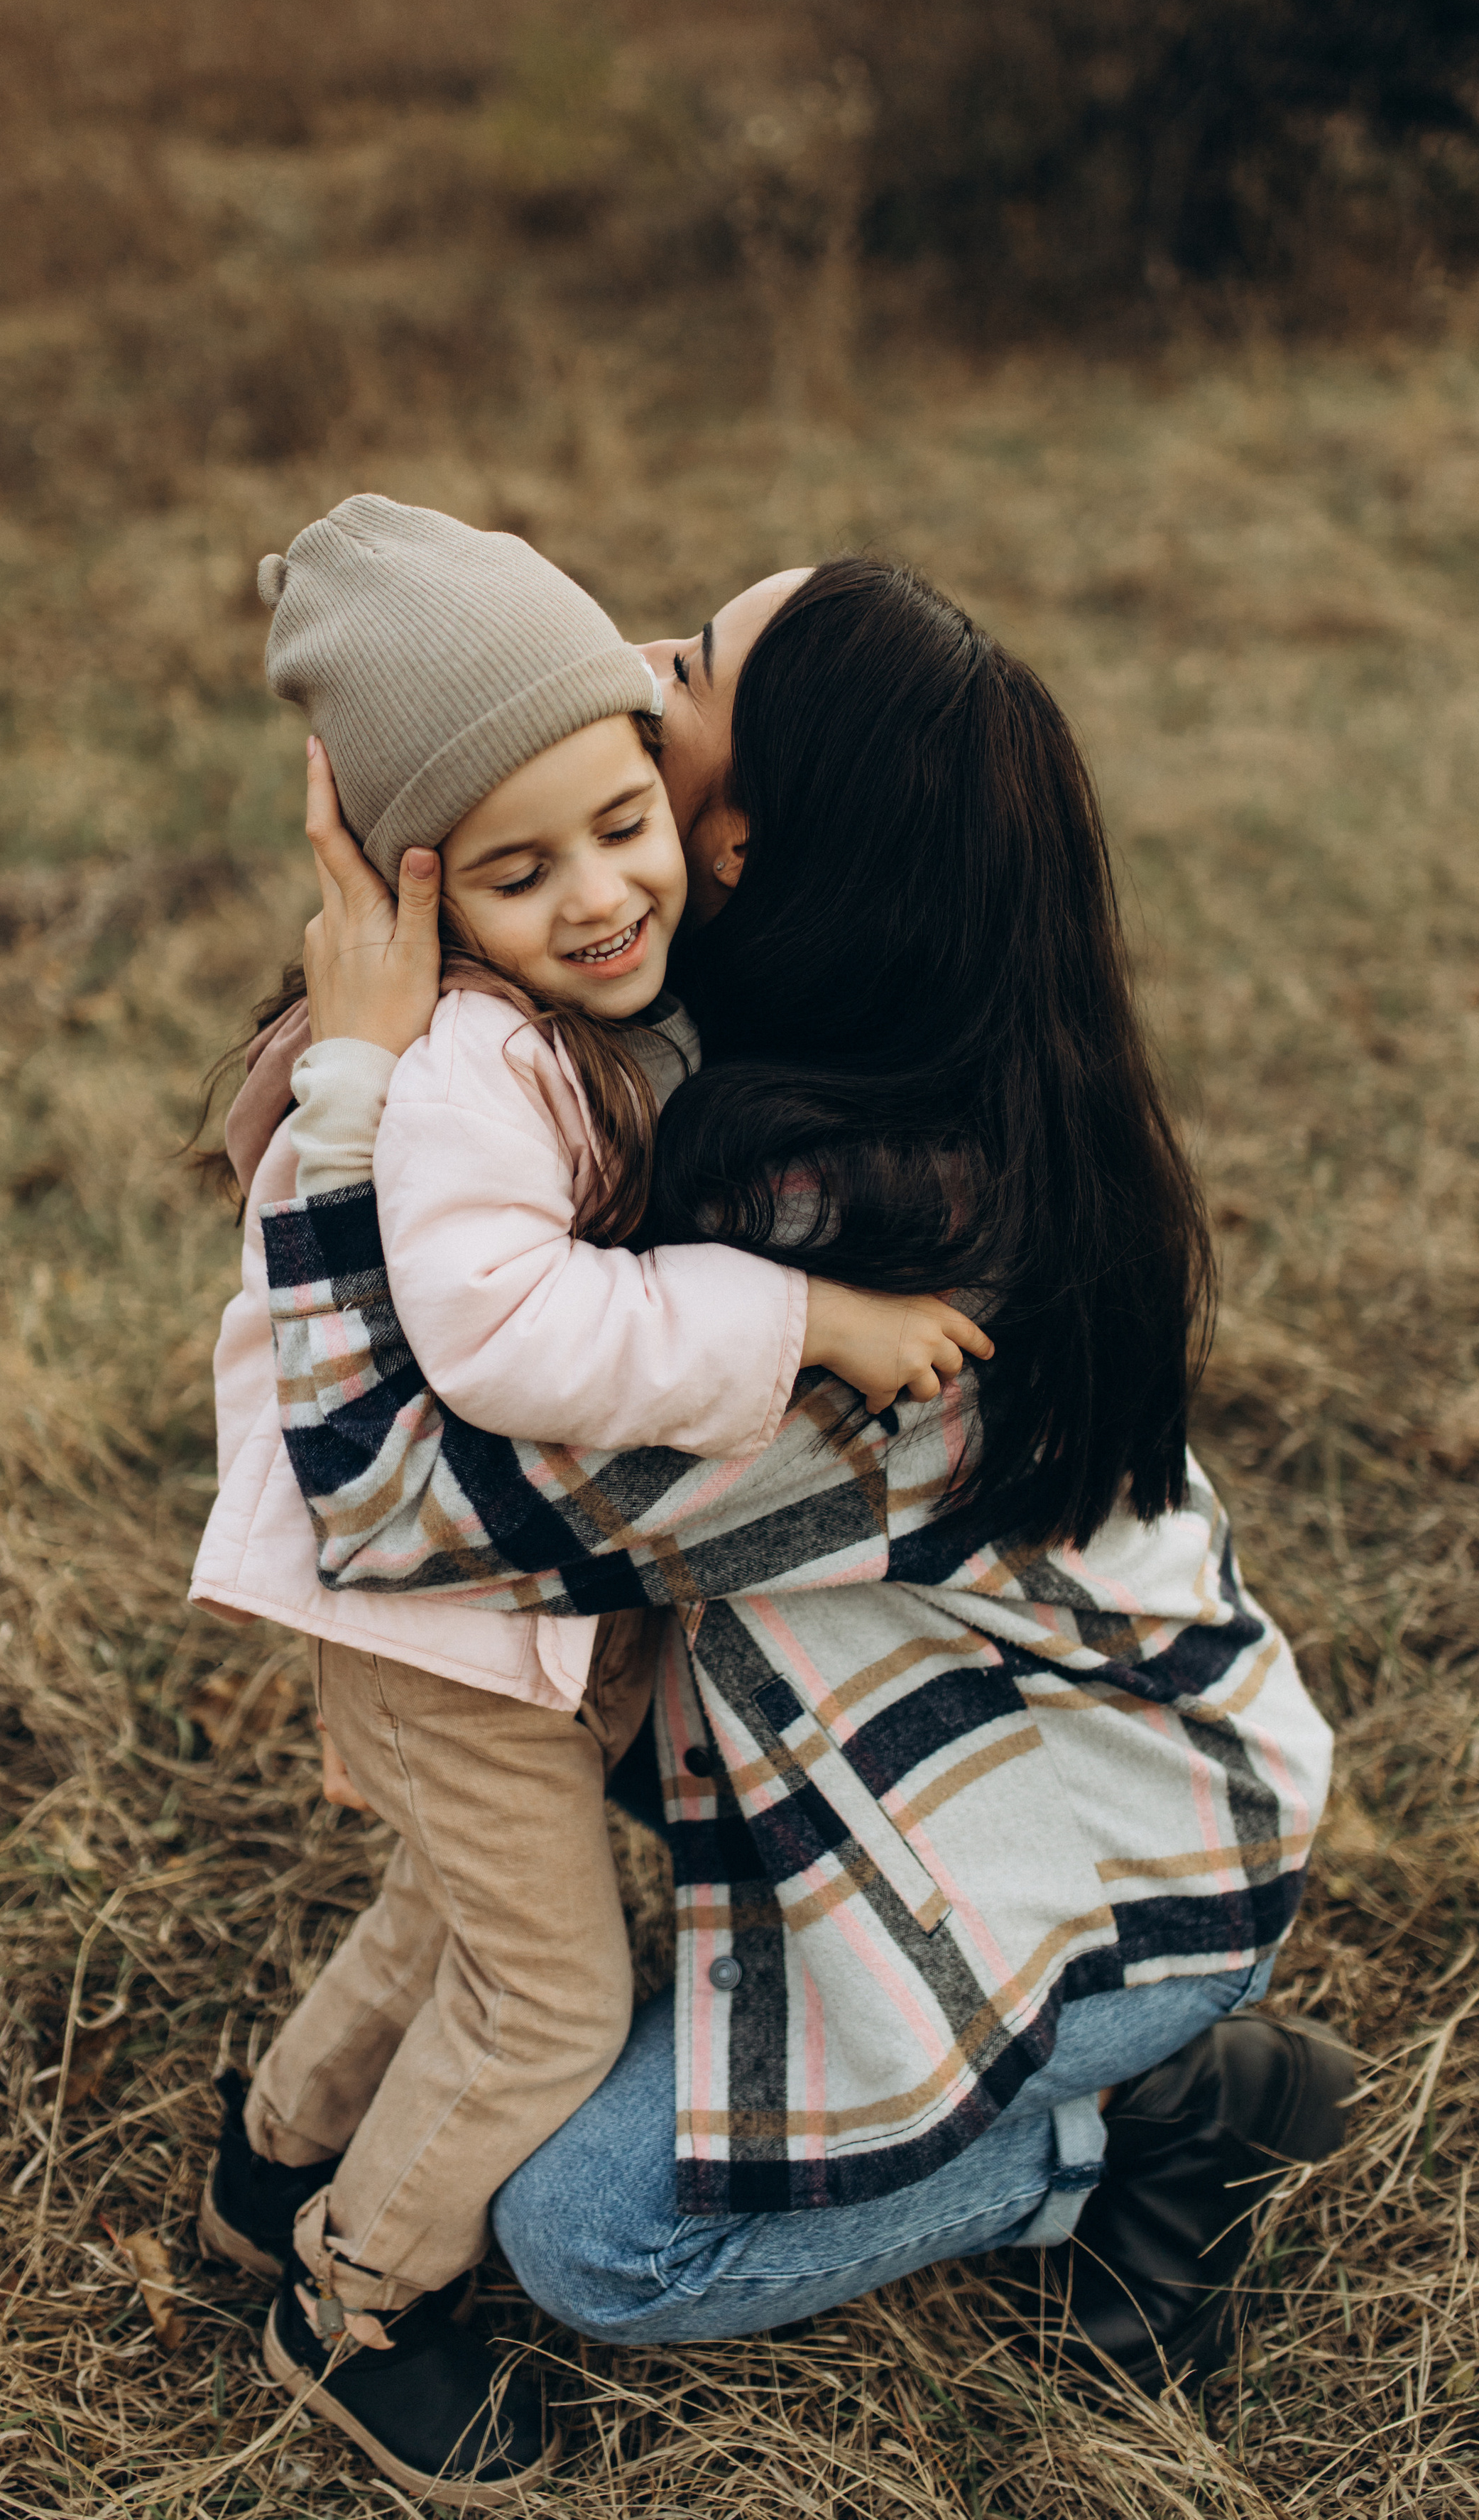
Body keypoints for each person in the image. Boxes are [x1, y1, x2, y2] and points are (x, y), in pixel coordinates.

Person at [198, 547, 1346, 2503]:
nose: (639, 661)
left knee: (597, 2242)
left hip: (1119, 1883)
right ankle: (288, 2158)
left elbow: (389, 1506)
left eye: (690, 662)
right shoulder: (763, 1055)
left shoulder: (865, 1269)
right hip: (925, 1807)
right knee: (516, 1956)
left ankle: (1146, 2128)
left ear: (733, 843)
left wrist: (347, 1094)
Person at [190, 500, 992, 2497]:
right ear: (425, 895)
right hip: (431, 1610)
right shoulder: (473, 1062)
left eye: (625, 824)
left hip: (482, 1616)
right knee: (554, 2002)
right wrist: (804, 1311)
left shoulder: (583, 1017)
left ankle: (271, 2155)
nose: (603, 897)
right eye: (521, 872)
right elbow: (501, 1335)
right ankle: (357, 2292)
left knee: (449, 1915)